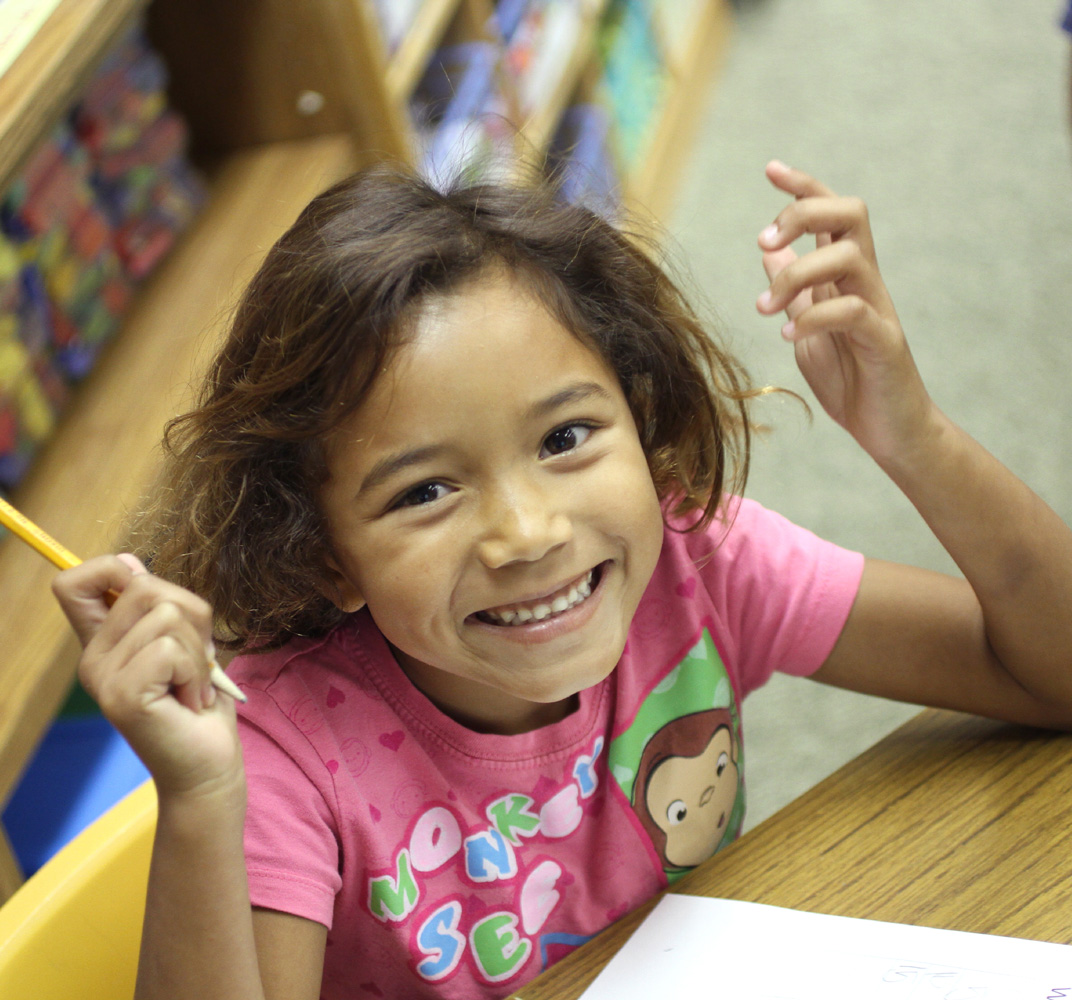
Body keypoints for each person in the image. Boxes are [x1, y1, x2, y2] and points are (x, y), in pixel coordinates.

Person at [52, 160, 1072, 1000]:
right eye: (423, 493)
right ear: (324, 553)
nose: (526, 532)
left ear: (640, 417)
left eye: (566, 436)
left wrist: (914, 434)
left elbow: (1052, 673)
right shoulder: (282, 753)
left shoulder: (694, 561)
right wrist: (196, 795)